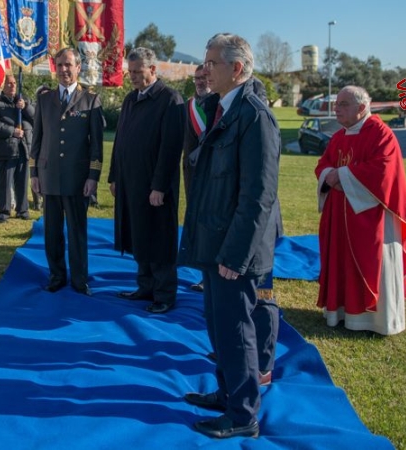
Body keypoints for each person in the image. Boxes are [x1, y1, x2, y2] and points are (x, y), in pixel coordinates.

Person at [177, 33, 281, 440]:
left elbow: (258, 196)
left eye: (212, 63)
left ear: (237, 68)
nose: (205, 70)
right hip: (213, 241)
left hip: (233, 251)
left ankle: (242, 414)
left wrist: (236, 255)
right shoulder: (223, 108)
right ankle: (227, 394)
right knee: (219, 326)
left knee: (237, 331)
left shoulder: (255, 116)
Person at [315, 85, 406, 335]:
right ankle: (340, 313)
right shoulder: (339, 136)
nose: (336, 109)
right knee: (340, 261)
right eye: (336, 104)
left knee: (372, 261)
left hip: (372, 217)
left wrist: (340, 176)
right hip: (340, 215)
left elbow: (383, 172)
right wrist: (329, 175)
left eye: (343, 104)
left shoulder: (381, 134)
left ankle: (374, 320)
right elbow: (323, 164)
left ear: (361, 107)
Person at [108, 47, 184, 314]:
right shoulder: (131, 98)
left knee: (159, 238)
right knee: (139, 234)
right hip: (130, 182)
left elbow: (171, 148)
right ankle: (145, 286)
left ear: (153, 69)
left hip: (155, 186)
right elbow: (120, 140)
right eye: (130, 72)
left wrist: (159, 186)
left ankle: (164, 294)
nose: (132, 77)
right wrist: (114, 176)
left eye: (138, 72)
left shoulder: (170, 99)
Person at [30, 47, 104, 296]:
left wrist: (93, 177)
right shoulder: (44, 99)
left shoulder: (90, 100)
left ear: (78, 67)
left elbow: (96, 145)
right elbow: (37, 139)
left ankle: (80, 280)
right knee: (52, 233)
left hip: (77, 179)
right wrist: (34, 173)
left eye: (68, 65)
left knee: (77, 232)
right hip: (49, 176)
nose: (64, 70)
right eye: (60, 65)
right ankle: (56, 276)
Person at [0, 74, 35, 223]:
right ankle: (4, 211)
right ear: (3, 85)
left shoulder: (23, 100)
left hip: (23, 147)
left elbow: (36, 118)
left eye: (14, 83)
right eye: (9, 83)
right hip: (6, 148)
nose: (12, 86)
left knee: (22, 181)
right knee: (5, 182)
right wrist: (12, 131)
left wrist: (25, 107)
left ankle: (22, 209)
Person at [183, 64, 213, 293]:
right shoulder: (188, 106)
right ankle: (204, 273)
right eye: (197, 78)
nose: (200, 82)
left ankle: (212, 275)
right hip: (191, 175)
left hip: (213, 175)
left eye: (204, 77)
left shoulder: (221, 104)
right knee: (198, 226)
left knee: (212, 225)